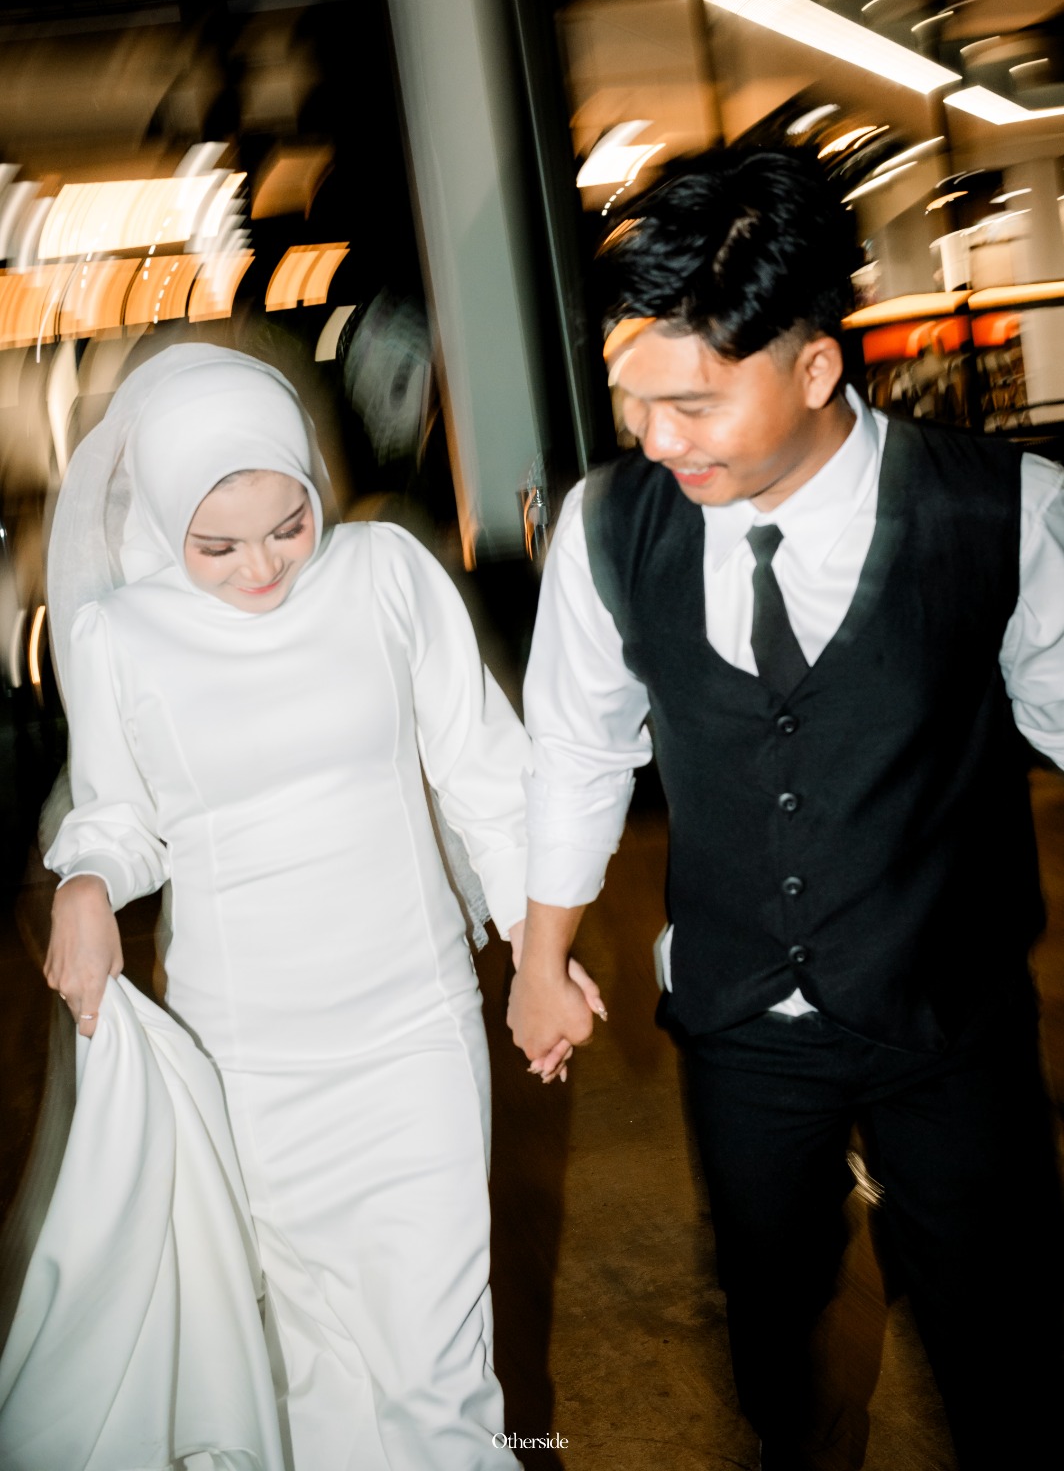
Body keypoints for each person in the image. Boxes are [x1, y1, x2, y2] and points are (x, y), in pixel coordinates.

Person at [508, 146, 1064, 1469]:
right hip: (740, 1020)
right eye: (634, 400)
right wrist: (539, 956)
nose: (657, 439)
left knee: (1010, 1349)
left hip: (949, 1015)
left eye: (692, 404)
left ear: (815, 369)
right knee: (771, 1339)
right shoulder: (606, 528)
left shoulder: (1003, 511)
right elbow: (577, 751)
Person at [34, 342, 590, 1470]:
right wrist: (86, 881)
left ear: (311, 481)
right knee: (311, 1366)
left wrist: (540, 956)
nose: (262, 568)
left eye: (289, 526)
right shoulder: (120, 635)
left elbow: (488, 777)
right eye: (217, 546)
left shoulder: (383, 573)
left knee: (438, 1376)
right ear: (165, 522)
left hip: (412, 1033)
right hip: (248, 1060)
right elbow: (118, 814)